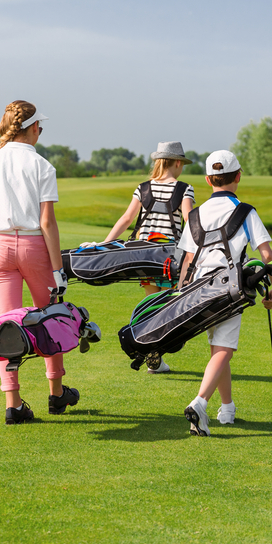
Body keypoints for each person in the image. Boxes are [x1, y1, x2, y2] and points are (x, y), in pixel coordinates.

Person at [0, 100, 79, 425]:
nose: (40, 133)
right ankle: (56, 392)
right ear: (31, 128)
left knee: (9, 325)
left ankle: (13, 403)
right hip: (34, 248)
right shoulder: (42, 166)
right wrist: (58, 270)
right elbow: (47, 223)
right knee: (53, 319)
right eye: (39, 128)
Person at [177, 150, 272, 436]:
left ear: (208, 179)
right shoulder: (245, 211)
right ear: (238, 177)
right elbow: (266, 254)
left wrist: (179, 295)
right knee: (224, 350)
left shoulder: (195, 213)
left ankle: (228, 408)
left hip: (197, 291)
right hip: (230, 288)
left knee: (217, 349)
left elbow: (187, 259)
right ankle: (200, 403)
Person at [89, 141, 196, 374]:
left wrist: (105, 244)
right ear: (177, 162)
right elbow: (190, 221)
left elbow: (127, 219)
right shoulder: (185, 189)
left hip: (145, 256)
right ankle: (156, 352)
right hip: (171, 259)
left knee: (150, 305)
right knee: (169, 308)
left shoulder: (142, 187)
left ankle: (150, 352)